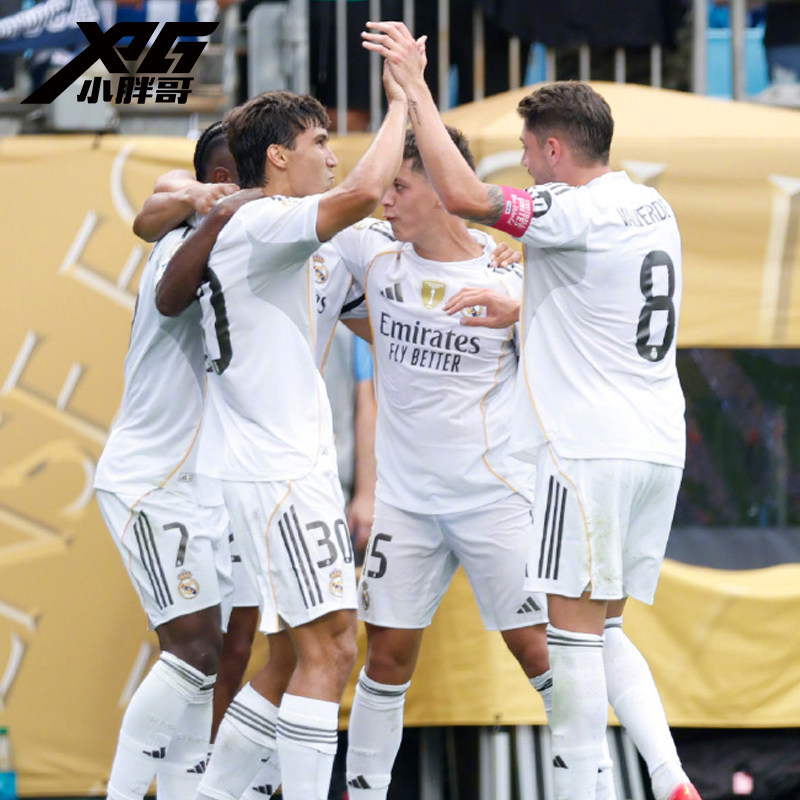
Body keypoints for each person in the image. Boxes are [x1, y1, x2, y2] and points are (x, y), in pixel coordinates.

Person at [362, 21, 699, 800]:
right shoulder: (651, 206)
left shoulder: (569, 210)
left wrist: (414, 89)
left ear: (553, 150)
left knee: (569, 639)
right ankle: (671, 778)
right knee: (606, 628)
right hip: (656, 446)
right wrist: (524, 307)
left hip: (585, 450)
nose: (522, 164)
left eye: (525, 150)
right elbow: (604, 298)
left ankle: (585, 789)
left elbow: (466, 197)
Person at [156, 77, 407, 800]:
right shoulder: (265, 220)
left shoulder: (282, 231)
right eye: (318, 142)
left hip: (276, 469)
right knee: (333, 648)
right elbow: (365, 192)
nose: (331, 156)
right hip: (277, 473)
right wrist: (402, 101)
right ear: (276, 158)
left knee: (289, 658)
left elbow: (386, 312)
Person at [324, 125, 553, 800]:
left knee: (540, 653)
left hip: (494, 499)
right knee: (386, 658)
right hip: (406, 504)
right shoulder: (370, 250)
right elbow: (280, 206)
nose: (385, 201)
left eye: (400, 186)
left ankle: (590, 784)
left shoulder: (510, 273)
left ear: (444, 190)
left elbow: (567, 361)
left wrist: (523, 313)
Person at [93, 127, 264, 800]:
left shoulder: (241, 240)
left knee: (212, 658)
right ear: (224, 177)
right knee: (192, 652)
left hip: (205, 483)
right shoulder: (184, 238)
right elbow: (155, 207)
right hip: (152, 478)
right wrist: (206, 201)